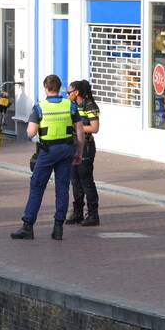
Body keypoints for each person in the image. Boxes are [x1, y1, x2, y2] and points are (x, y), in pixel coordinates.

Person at [11, 74, 85, 241]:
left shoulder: (40, 107)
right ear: (59, 88)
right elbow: (80, 131)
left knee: (37, 186)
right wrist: (79, 153)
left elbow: (30, 132)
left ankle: (28, 226)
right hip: (66, 150)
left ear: (45, 87)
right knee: (62, 188)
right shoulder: (70, 105)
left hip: (47, 152)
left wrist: (33, 133)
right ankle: (58, 227)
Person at [67, 79, 100, 226]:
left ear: (77, 92)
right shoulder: (71, 105)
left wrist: (76, 128)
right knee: (75, 180)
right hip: (73, 145)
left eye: (69, 92)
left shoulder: (89, 105)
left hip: (85, 145)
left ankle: (93, 214)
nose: (67, 95)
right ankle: (78, 212)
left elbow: (94, 128)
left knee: (86, 180)